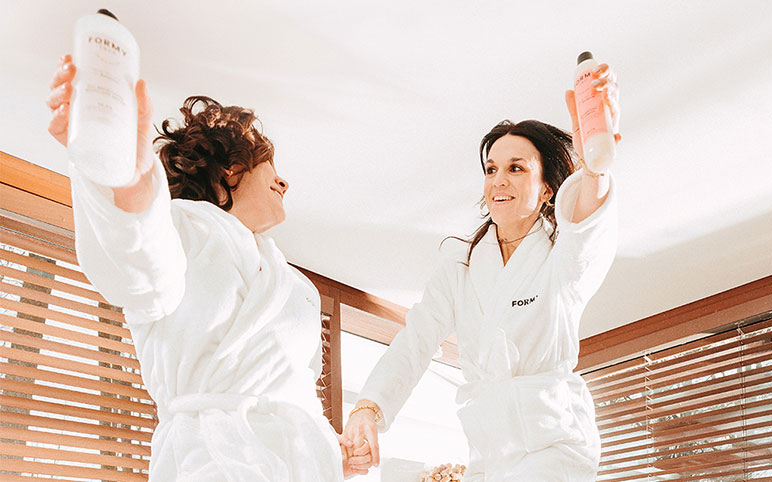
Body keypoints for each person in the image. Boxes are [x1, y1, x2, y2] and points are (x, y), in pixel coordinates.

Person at [46, 54, 369, 481]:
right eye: (272, 167)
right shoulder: (181, 228)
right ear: (232, 170)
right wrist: (127, 179)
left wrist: (332, 453)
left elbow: (297, 393)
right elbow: (136, 261)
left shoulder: (293, 283)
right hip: (212, 458)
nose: (284, 182)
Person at [341, 64, 621, 480]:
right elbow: (417, 340)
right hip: (489, 454)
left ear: (548, 188)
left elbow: (586, 226)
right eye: (491, 169)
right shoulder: (460, 261)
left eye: (516, 168)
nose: (498, 180)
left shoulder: (562, 256)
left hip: (556, 447)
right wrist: (369, 407)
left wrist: (595, 167)